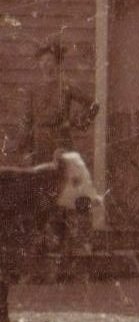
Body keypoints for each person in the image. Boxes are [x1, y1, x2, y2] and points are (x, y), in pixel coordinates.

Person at [16, 42, 100, 279]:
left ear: (57, 62)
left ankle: (65, 263)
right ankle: (38, 264)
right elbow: (26, 120)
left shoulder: (67, 86)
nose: (46, 63)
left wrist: (75, 123)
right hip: (38, 146)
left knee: (63, 201)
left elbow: (94, 105)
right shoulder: (33, 89)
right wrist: (22, 148)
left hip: (61, 146)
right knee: (39, 203)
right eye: (42, 59)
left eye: (50, 59)